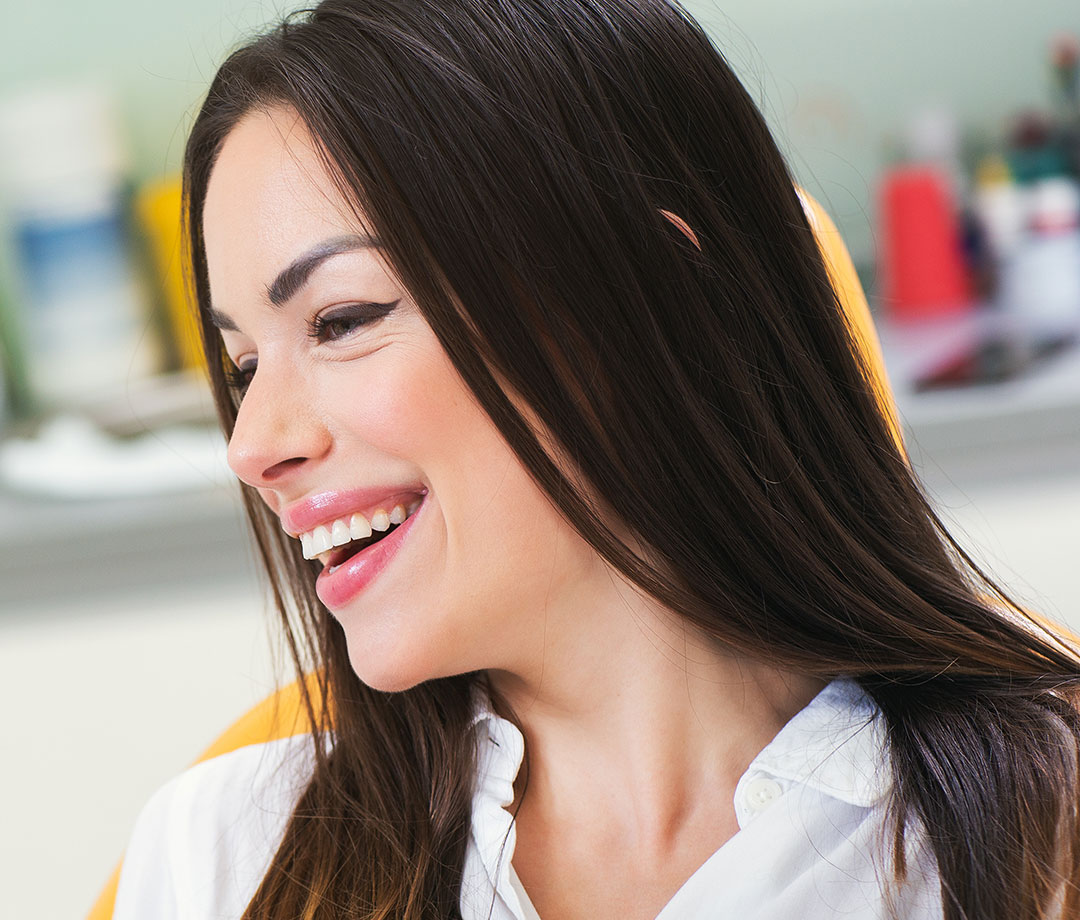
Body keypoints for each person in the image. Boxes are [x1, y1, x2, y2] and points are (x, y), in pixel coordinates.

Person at [107, 1, 1080, 918]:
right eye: (241, 366)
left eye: (341, 319)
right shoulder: (219, 858)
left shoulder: (1047, 835)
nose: (252, 443)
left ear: (651, 302)